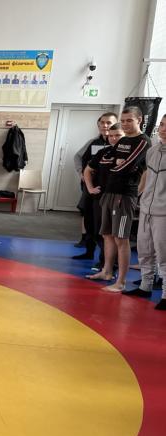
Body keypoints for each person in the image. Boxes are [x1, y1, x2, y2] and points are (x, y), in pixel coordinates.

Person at [86, 108, 151, 292]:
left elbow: (129, 166)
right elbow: (107, 159)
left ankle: (121, 281)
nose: (125, 124)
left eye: (129, 120)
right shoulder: (123, 140)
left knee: (121, 238)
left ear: (139, 120)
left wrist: (117, 166)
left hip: (124, 195)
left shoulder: (143, 141)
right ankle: (106, 271)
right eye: (123, 120)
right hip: (109, 192)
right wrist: (116, 164)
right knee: (107, 235)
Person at [123, 113, 166, 310]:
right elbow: (147, 176)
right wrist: (140, 197)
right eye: (162, 125)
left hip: (163, 212)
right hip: (147, 208)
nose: (164, 129)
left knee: (163, 254)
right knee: (144, 249)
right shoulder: (152, 151)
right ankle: (145, 286)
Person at [72, 112, 119, 259]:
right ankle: (89, 252)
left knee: (103, 226)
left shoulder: (122, 146)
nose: (105, 126)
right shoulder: (94, 143)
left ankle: (105, 260)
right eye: (102, 123)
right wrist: (82, 174)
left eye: (109, 123)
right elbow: (81, 159)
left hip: (109, 192)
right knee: (89, 220)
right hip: (91, 188)